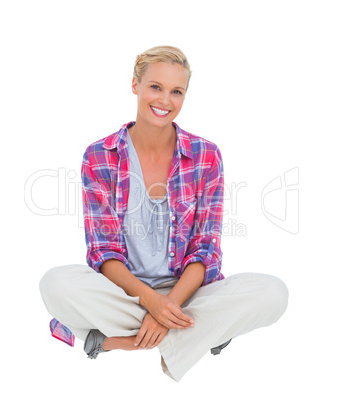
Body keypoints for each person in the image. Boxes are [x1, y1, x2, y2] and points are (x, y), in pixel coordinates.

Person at [39, 45, 289, 382]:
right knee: (55, 284)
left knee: (273, 294)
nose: (164, 100)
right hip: (123, 290)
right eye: (155, 87)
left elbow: (205, 249)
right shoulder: (99, 155)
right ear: (135, 86)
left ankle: (122, 341)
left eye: (176, 91)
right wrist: (152, 304)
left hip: (187, 292)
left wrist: (166, 305)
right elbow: (103, 250)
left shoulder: (206, 155)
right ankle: (200, 335)